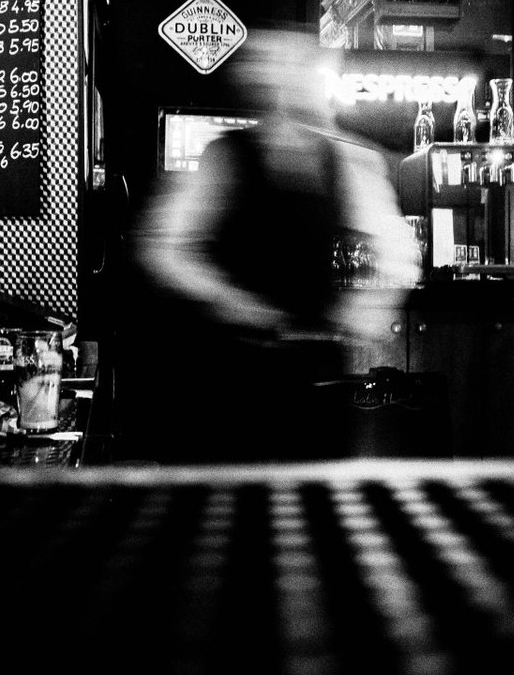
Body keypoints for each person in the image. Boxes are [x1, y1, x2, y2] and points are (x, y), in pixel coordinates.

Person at [119, 24, 419, 464]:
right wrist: (228, 300)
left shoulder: (350, 159)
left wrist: (365, 312)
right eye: (272, 78)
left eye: (293, 74)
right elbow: (163, 247)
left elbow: (399, 256)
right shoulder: (226, 156)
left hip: (313, 373)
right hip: (230, 373)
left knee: (307, 508)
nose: (283, 92)